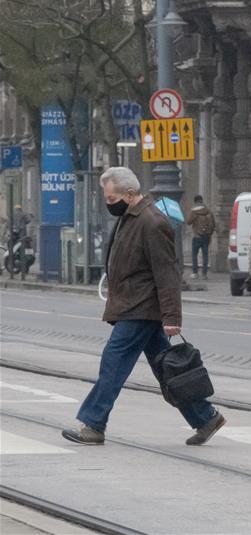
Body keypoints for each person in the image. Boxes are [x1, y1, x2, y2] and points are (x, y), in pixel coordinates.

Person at [62, 167, 225, 446]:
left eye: (111, 199)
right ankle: (205, 417)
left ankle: (93, 424)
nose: (109, 204)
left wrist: (172, 317)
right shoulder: (131, 216)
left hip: (140, 308)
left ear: (129, 193)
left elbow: (167, 273)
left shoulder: (151, 222)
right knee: (167, 368)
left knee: (112, 365)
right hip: (135, 306)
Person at [186, 195, 216, 280]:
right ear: (202, 201)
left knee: (194, 255)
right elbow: (213, 224)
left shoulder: (194, 211)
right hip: (206, 236)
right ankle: (204, 274)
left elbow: (188, 222)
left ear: (195, 202)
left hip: (197, 236)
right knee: (205, 255)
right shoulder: (208, 210)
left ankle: (195, 273)